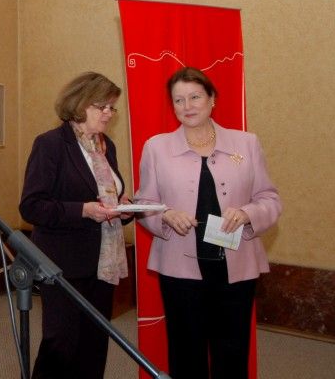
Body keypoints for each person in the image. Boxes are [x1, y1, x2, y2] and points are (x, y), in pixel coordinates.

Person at [136, 66, 282, 379]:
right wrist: (165, 215)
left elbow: (269, 200)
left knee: (232, 350)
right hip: (180, 268)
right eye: (179, 100)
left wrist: (247, 213)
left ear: (212, 98)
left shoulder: (246, 143)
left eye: (195, 97)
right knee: (186, 351)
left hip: (236, 265)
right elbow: (143, 204)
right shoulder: (156, 147)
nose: (187, 106)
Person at [19, 72, 133, 379]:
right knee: (61, 344)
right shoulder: (51, 144)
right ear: (80, 104)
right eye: (102, 106)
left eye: (112, 107)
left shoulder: (106, 146)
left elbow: (108, 196)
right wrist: (83, 210)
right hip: (63, 263)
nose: (109, 113)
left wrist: (124, 207)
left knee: (94, 343)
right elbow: (31, 206)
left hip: (104, 261)